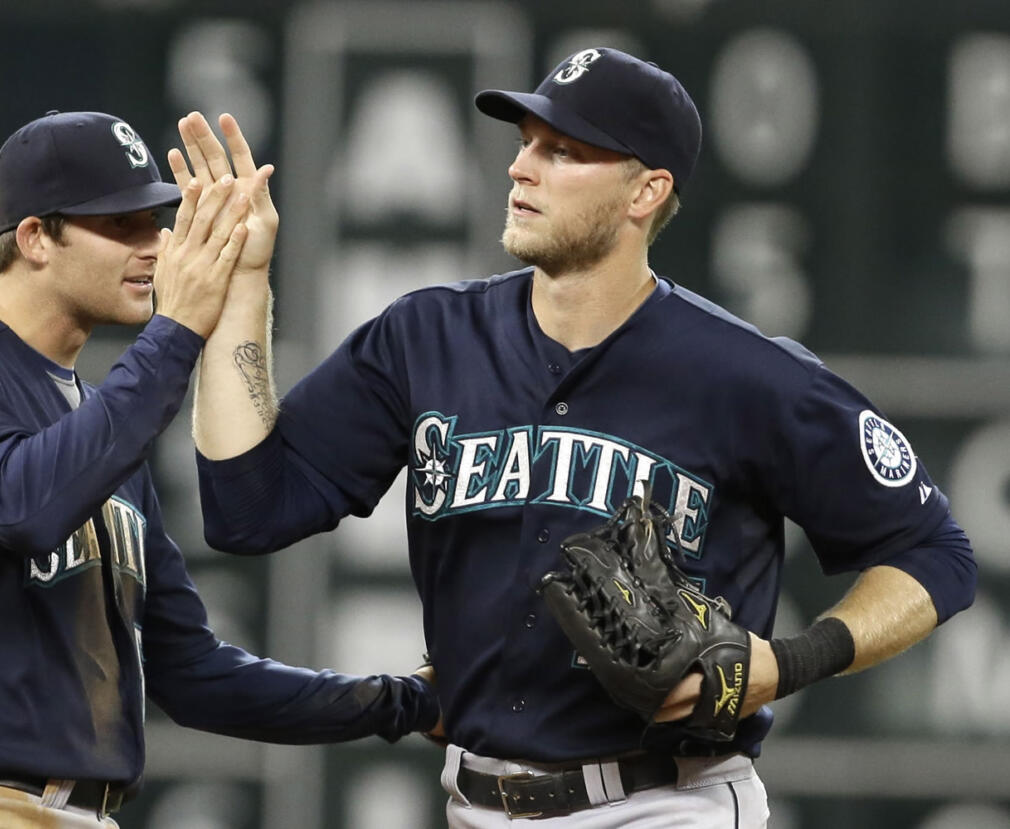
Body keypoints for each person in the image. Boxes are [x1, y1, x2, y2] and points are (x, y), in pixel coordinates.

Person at [185, 46, 979, 828]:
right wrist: (244, 284)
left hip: (668, 801)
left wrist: (786, 662)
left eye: (563, 151)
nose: (521, 168)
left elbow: (935, 552)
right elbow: (250, 509)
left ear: (647, 190)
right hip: (476, 798)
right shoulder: (425, 338)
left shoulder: (748, 376)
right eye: (526, 142)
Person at [0, 109, 438, 829]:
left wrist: (408, 700)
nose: (155, 245)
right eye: (117, 224)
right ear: (35, 237)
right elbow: (20, 506)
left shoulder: (104, 429)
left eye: (154, 220)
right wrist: (177, 330)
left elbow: (193, 675)